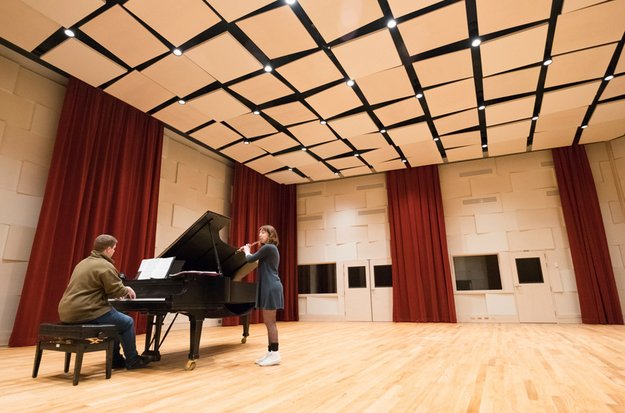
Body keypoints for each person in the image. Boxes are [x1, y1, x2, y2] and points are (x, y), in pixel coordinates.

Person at [58, 234, 150, 370]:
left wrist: (114, 293)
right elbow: (117, 290)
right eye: (113, 248)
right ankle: (133, 360)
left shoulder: (82, 263)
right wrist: (126, 289)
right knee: (127, 322)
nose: (114, 251)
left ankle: (115, 360)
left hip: (67, 311)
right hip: (86, 311)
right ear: (107, 249)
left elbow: (93, 287)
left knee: (116, 318)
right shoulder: (105, 265)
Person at [243, 225, 284, 367]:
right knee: (268, 322)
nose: (260, 234)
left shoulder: (269, 247)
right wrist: (249, 253)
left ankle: (276, 354)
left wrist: (247, 250)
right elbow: (255, 261)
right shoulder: (268, 250)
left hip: (271, 287)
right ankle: (270, 352)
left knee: (270, 322)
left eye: (263, 232)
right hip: (268, 287)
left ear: (270, 235)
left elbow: (250, 259)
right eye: (259, 231)